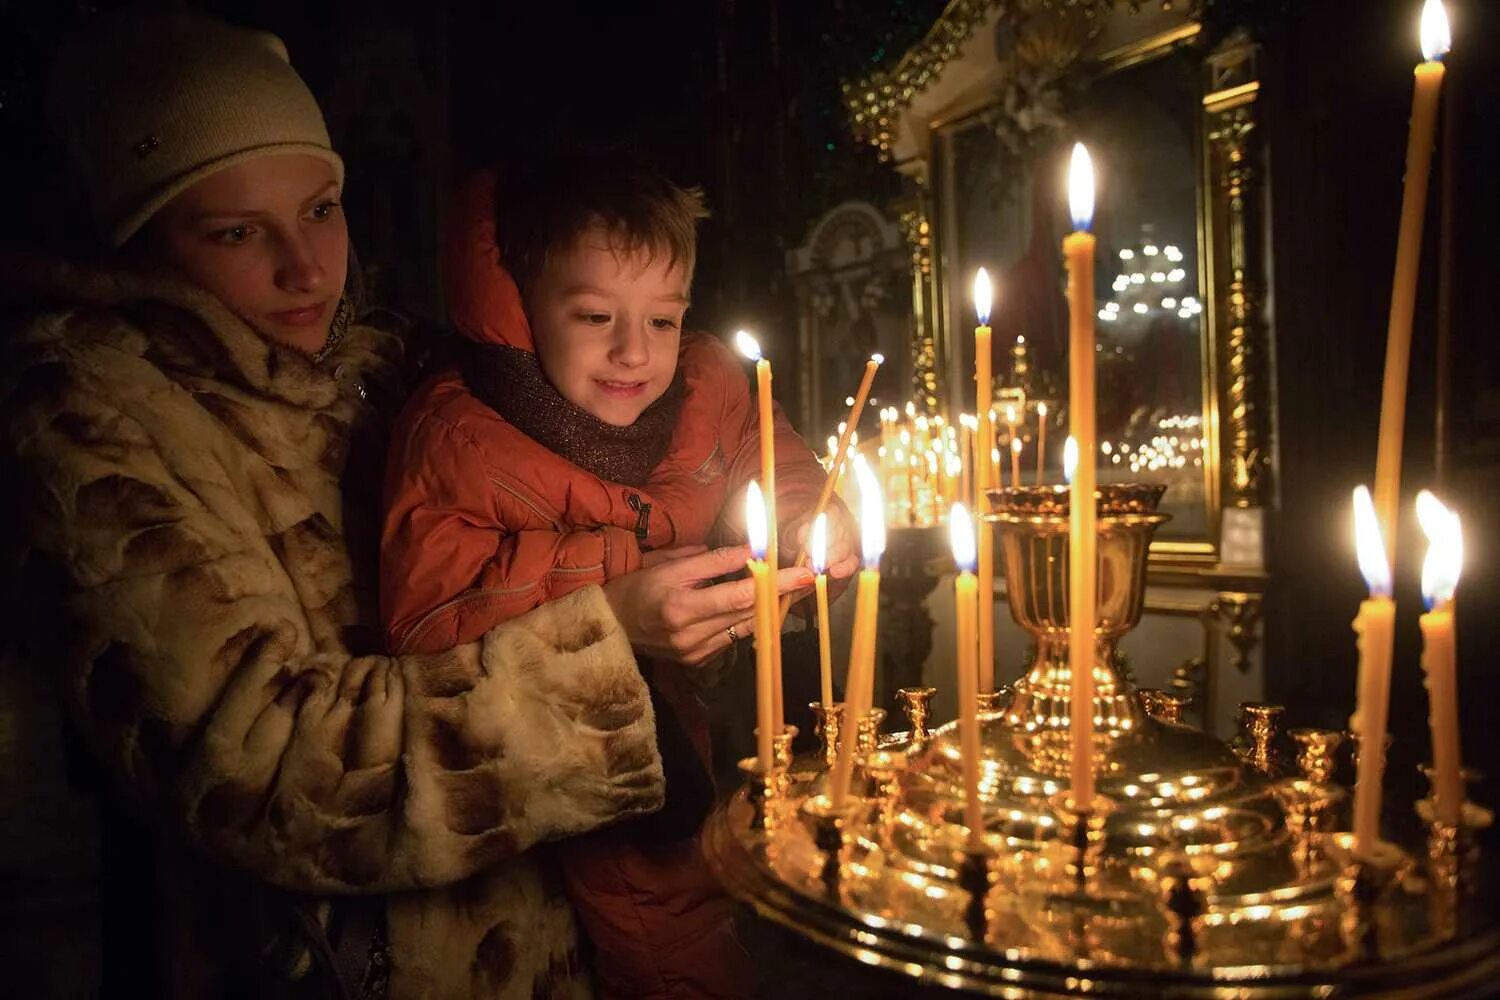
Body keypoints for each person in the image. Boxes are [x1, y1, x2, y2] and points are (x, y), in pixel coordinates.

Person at [2, 11, 803, 998]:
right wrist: (610, 634)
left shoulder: (395, 373)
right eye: (237, 230)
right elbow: (259, 768)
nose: (305, 267)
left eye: (322, 209)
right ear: (137, 240)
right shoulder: (89, 427)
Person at [379, 157, 858, 997]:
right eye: (596, 315)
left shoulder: (712, 386)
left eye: (665, 321)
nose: (636, 352)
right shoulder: (459, 434)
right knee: (659, 917)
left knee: (715, 904)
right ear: (527, 312)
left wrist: (808, 521)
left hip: (690, 720)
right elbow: (429, 622)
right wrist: (612, 595)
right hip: (543, 748)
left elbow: (770, 455)